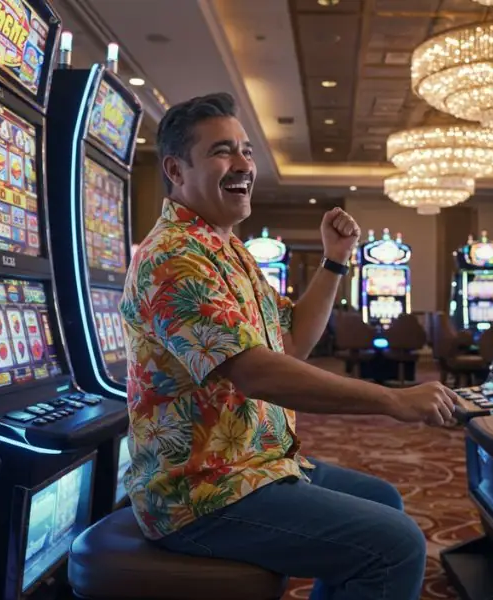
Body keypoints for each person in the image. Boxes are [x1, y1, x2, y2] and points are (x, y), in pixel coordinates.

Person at [120, 92, 460, 600]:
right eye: (222, 152)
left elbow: (293, 343)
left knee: (385, 500)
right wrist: (390, 399)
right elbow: (258, 372)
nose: (243, 164)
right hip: (200, 491)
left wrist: (335, 261)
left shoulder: (226, 248)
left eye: (247, 150)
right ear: (174, 168)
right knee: (397, 545)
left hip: (255, 465)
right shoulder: (175, 258)